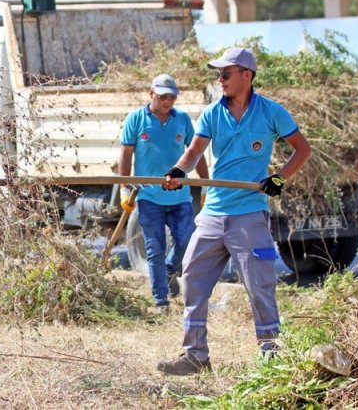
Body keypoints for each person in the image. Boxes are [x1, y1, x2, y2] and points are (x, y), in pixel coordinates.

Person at [156, 47, 311, 376]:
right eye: (219, 74)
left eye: (226, 73)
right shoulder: (213, 113)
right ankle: (195, 355)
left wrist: (279, 178)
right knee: (193, 279)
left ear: (247, 75)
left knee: (259, 285)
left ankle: (271, 355)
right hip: (213, 212)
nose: (220, 79)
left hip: (249, 214)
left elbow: (302, 149)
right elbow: (193, 152)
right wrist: (178, 172)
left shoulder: (272, 112)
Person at [119, 74, 209, 312]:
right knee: (154, 248)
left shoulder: (182, 121)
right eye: (163, 96)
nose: (168, 101)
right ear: (152, 94)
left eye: (171, 96)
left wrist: (206, 184)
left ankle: (170, 270)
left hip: (180, 196)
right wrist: (124, 188)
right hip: (149, 197)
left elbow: (195, 152)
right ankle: (161, 301)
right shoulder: (136, 119)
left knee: (187, 241)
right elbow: (126, 154)